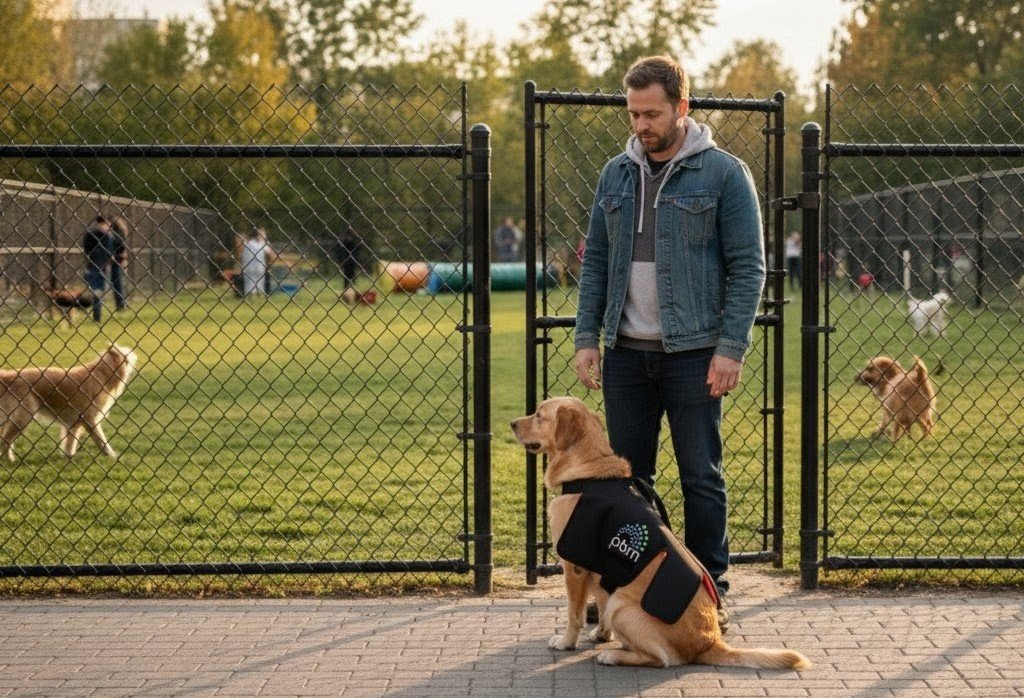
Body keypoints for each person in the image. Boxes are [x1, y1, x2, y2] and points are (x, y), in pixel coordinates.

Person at [573, 56, 765, 625]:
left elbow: (748, 267)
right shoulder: (616, 174)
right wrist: (589, 338)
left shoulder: (725, 174)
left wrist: (730, 348)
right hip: (627, 355)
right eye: (633, 114)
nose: (640, 125)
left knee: (700, 476)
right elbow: (597, 262)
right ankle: (626, 593)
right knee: (627, 483)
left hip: (695, 355)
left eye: (651, 113)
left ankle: (707, 594)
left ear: (683, 107)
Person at [82, 214, 116, 322]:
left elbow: (86, 249)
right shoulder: (106, 236)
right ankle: (97, 315)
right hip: (100, 266)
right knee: (98, 291)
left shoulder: (89, 234)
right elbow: (109, 252)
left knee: (97, 290)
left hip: (93, 265)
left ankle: (96, 314)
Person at [240, 227, 273, 297]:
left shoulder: (249, 243)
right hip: (259, 267)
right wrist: (269, 264)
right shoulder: (262, 243)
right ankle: (258, 295)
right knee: (259, 285)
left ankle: (251, 296)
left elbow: (242, 255)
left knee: (249, 285)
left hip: (248, 267)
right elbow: (270, 253)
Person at [110, 217, 130, 311]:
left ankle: (121, 305)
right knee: (120, 284)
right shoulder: (120, 233)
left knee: (118, 284)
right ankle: (122, 304)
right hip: (120, 261)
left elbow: (120, 246)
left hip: (118, 261)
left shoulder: (117, 234)